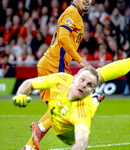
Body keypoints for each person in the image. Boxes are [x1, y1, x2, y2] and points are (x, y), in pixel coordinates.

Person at [11, 42, 130, 150]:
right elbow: (29, 83)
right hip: (66, 102)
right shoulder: (61, 79)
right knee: (99, 74)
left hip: (74, 118)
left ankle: (94, 99)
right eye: (82, 80)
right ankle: (37, 134)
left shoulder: (83, 111)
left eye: (89, 86)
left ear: (90, 90)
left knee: (83, 105)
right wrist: (20, 94)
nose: (84, 85)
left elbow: (81, 142)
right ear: (74, 77)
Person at [21, 0, 99, 149]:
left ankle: (29, 147)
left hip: (52, 64)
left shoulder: (77, 15)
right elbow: (63, 38)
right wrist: (81, 62)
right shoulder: (72, 13)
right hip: (55, 65)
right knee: (70, 103)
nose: (87, 0)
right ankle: (39, 128)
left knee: (58, 108)